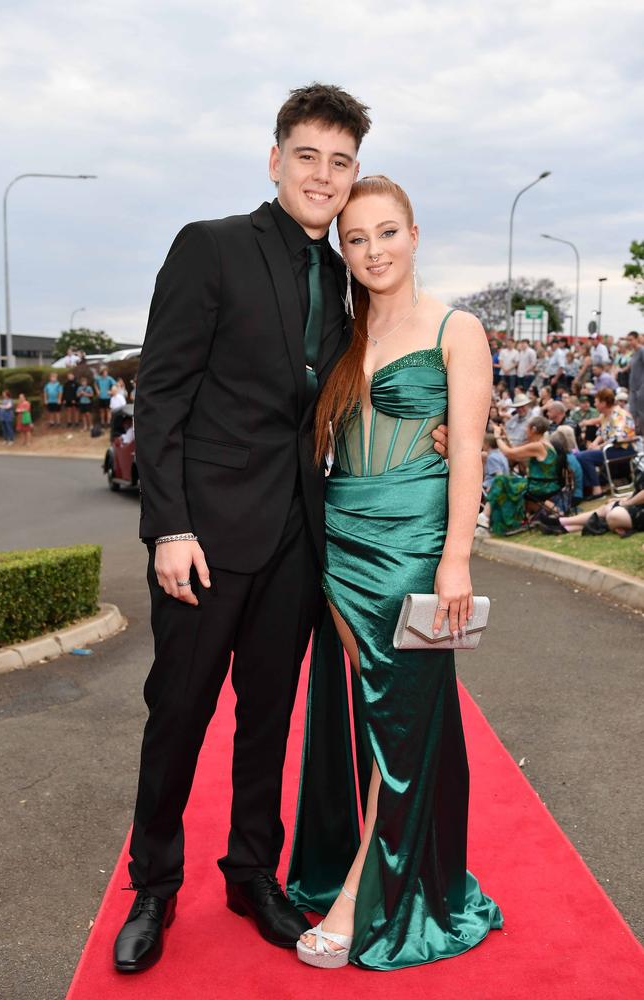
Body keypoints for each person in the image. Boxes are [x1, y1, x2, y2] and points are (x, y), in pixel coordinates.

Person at [113, 84, 451, 975]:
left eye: (341, 163)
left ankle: (250, 872)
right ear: (276, 159)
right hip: (207, 542)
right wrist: (168, 528)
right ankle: (154, 886)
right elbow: (163, 393)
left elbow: (378, 380)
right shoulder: (212, 247)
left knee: (269, 720)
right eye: (309, 156)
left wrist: (439, 427)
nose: (324, 175)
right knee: (178, 713)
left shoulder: (349, 277)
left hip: (304, 540)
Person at [289, 175, 501, 971]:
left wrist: (456, 561)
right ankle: (406, 870)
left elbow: (470, 450)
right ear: (342, 250)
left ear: (415, 234)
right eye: (356, 239)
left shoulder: (458, 329)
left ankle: (355, 899)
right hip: (340, 539)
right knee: (378, 720)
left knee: (404, 729)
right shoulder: (338, 335)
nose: (373, 251)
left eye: (386, 233)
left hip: (416, 547)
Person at [479, 415, 561, 534]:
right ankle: (487, 518)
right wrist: (505, 438)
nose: (525, 431)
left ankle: (486, 517)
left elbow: (508, 453)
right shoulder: (544, 444)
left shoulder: (538, 446)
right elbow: (517, 455)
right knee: (504, 480)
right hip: (545, 484)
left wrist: (497, 436)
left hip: (539, 486)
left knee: (500, 480)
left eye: (526, 428)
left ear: (533, 429)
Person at [574, 387, 636, 497]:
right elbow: (602, 433)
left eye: (596, 402)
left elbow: (617, 438)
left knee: (584, 457)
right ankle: (590, 488)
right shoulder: (605, 415)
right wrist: (594, 443)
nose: (594, 404)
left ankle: (596, 489)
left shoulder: (618, 415)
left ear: (603, 403)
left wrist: (599, 446)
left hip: (623, 449)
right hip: (612, 448)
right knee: (579, 455)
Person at [628, 331, 644, 434]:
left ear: (637, 339)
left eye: (631, 340)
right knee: (633, 411)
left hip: (641, 386)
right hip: (633, 387)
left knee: (641, 412)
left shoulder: (642, 351)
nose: (629, 342)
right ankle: (636, 433)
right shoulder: (633, 353)